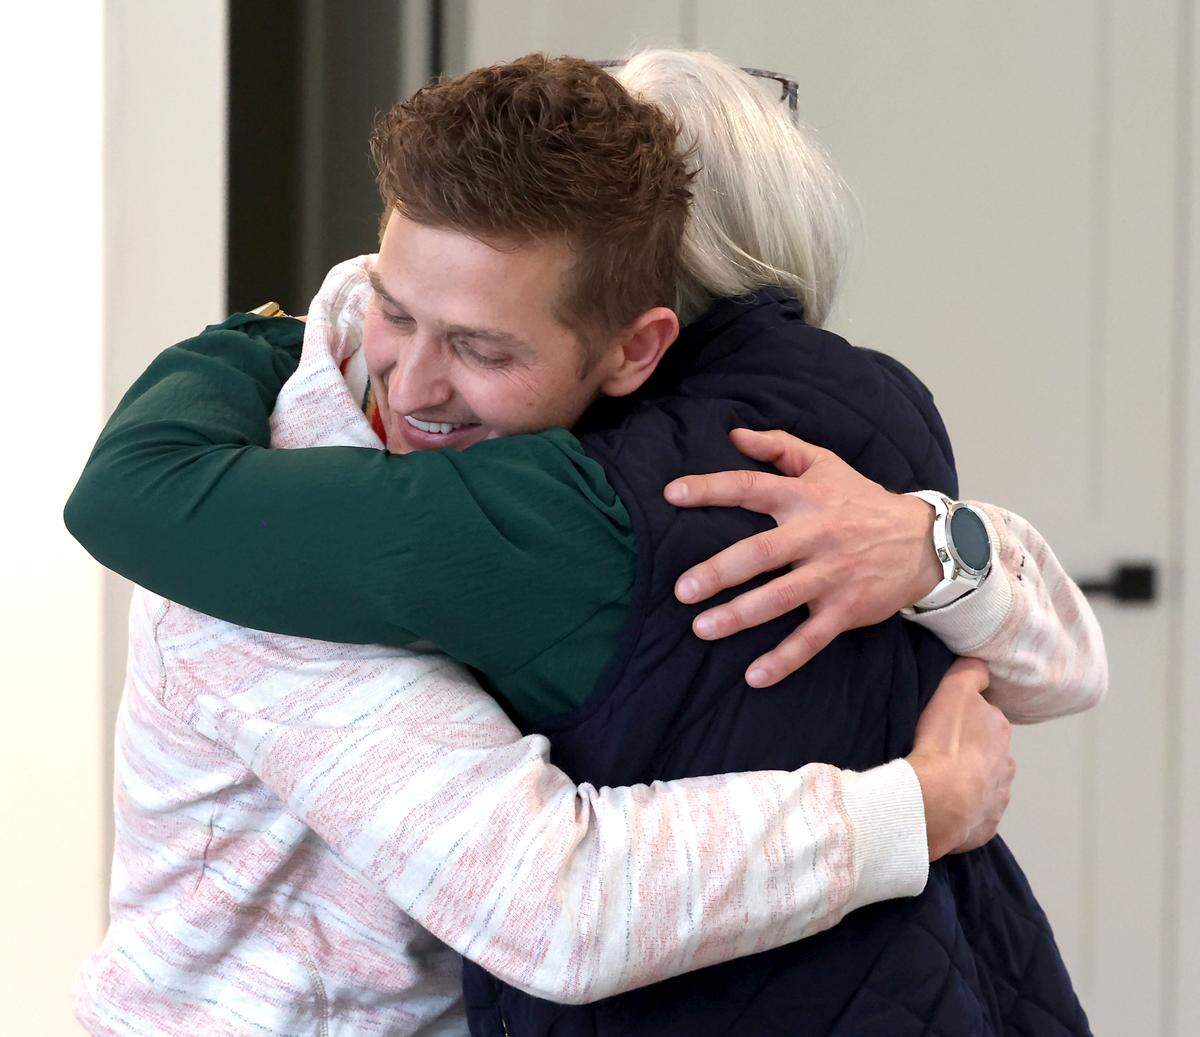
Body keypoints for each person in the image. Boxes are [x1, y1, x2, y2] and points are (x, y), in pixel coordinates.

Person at [64, 52, 1104, 1035]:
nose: (415, 384)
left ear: (633, 351)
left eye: (481, 348)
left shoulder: (603, 474)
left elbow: (1067, 665)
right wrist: (917, 807)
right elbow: (557, 901)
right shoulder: (258, 550)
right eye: (395, 313)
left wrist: (929, 545)